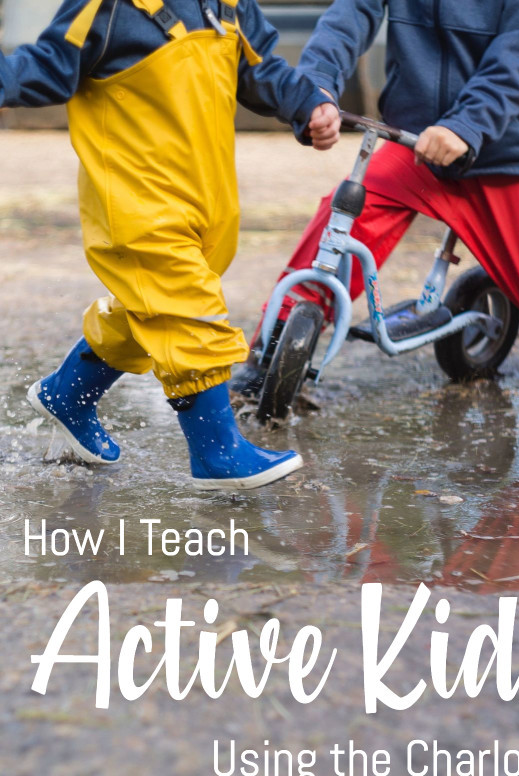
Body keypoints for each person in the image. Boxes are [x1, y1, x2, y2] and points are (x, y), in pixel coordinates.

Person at [0, 0, 340, 489]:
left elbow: (263, 67)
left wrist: (309, 104)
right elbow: (50, 62)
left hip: (206, 200)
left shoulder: (228, 6)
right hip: (136, 201)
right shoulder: (108, 7)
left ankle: (68, 394)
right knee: (188, 312)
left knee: (152, 309)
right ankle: (217, 453)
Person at [232, 0, 519, 398]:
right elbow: (347, 18)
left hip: (501, 151)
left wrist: (465, 126)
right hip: (414, 143)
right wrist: (317, 89)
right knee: (343, 222)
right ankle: (272, 352)